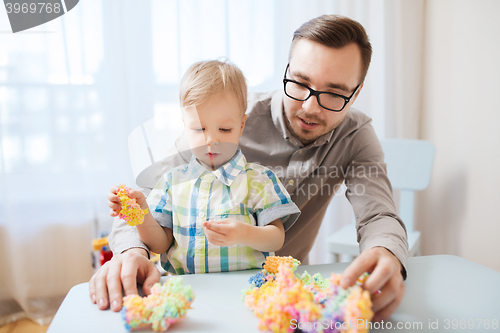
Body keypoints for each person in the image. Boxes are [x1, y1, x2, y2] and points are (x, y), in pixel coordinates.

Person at [90, 15, 407, 322]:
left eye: (335, 93)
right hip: (192, 290)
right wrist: (132, 251)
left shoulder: (355, 135)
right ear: (287, 70)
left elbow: (378, 214)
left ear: (356, 93)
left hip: (278, 295)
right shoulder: (224, 117)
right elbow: (146, 192)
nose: (310, 107)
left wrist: (386, 253)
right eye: (300, 82)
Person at [113, 60, 300, 275]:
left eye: (224, 129)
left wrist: (244, 233)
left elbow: (276, 238)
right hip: (187, 291)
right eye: (199, 129)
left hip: (245, 289)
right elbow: (160, 245)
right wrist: (141, 215)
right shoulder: (172, 182)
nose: (211, 140)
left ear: (241, 126)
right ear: (185, 125)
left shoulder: (258, 180)